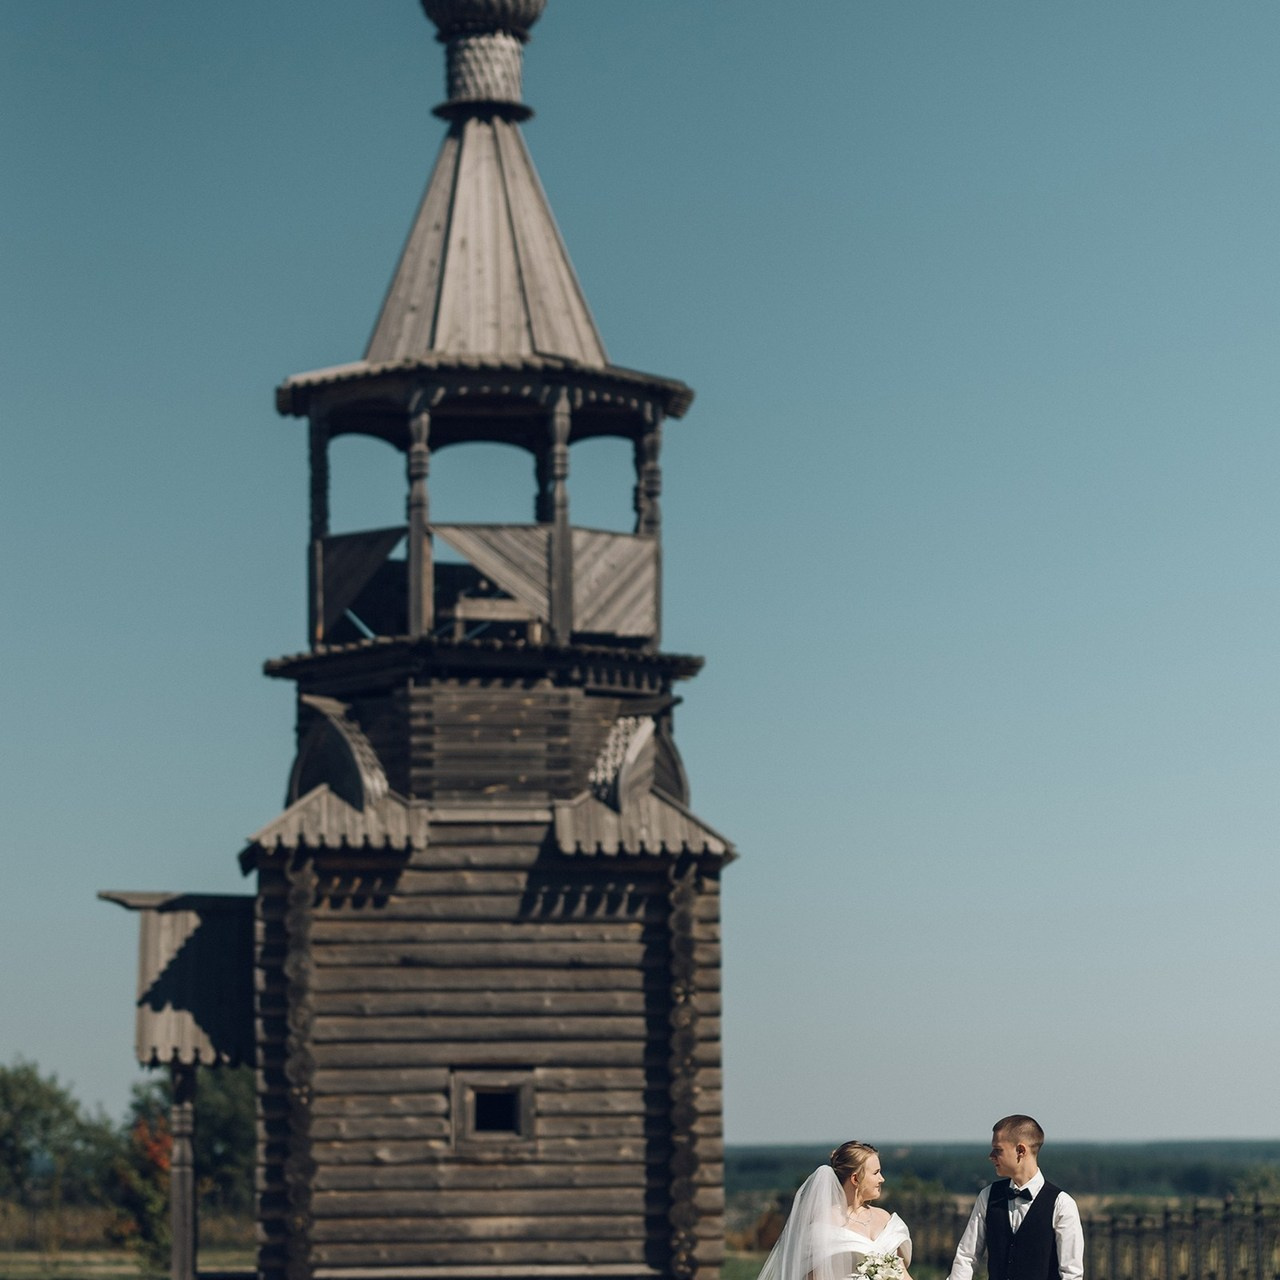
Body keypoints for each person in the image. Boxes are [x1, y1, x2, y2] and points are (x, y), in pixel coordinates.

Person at [947, 1115, 1084, 1280]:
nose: (991, 1156)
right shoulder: (988, 1196)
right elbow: (966, 1257)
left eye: (998, 1150)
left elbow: (1071, 1274)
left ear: (1021, 1150)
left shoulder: (1062, 1204)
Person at [756, 1141, 913, 1280]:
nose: (882, 1179)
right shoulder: (823, 1224)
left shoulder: (884, 1218)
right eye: (876, 1172)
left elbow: (902, 1273)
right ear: (855, 1179)